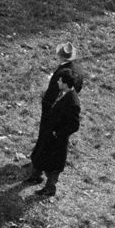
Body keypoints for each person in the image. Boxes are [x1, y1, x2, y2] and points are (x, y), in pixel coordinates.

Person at [30, 69, 83, 198]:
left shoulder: (72, 102)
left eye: (60, 80)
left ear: (65, 83)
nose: (57, 82)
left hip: (57, 141)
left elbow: (74, 125)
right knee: (41, 156)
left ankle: (50, 189)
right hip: (49, 135)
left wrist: (57, 133)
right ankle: (36, 177)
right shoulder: (63, 93)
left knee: (53, 167)